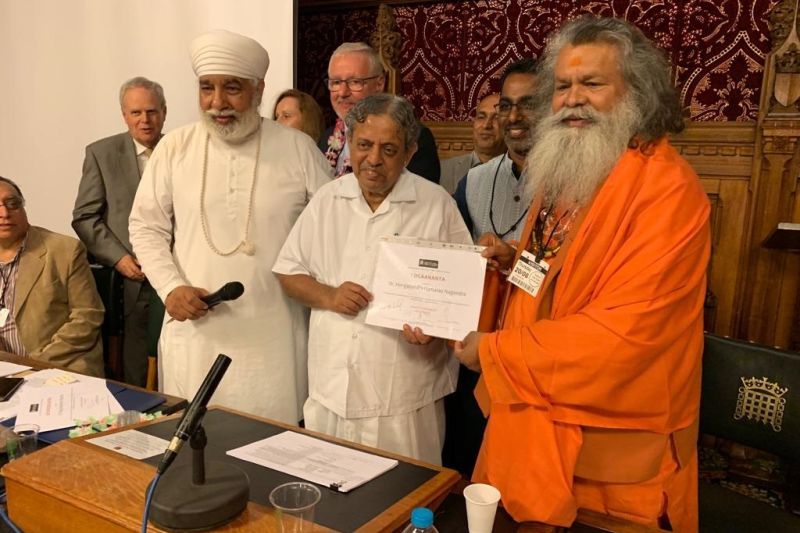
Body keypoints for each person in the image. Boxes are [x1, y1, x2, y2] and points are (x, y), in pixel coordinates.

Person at [454, 17, 709, 531]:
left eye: (592, 83)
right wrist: (510, 264)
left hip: (607, 457)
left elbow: (624, 336)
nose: (573, 99)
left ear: (637, 93)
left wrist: (494, 352)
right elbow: (553, 275)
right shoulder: (569, 170)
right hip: (531, 421)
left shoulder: (668, 191)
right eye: (562, 86)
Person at [129, 30, 332, 424]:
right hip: (197, 333)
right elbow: (146, 226)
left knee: (271, 444)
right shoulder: (175, 148)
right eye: (207, 88)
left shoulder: (297, 149)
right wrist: (170, 287)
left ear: (259, 90)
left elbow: (332, 230)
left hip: (275, 338)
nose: (217, 102)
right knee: (195, 441)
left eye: (232, 88)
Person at [273, 94, 470, 464]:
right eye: (364, 145)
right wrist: (329, 295)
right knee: (329, 487)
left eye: (389, 149)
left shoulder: (437, 204)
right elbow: (288, 271)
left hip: (405, 396)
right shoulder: (328, 199)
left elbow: (461, 296)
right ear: (349, 142)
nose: (374, 159)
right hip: (332, 390)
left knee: (407, 491)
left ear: (410, 152)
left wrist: (434, 327)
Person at [72, 76, 167, 386]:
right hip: (134, 281)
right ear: (124, 115)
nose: (145, 120)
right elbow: (84, 217)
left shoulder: (181, 149)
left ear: (164, 112)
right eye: (136, 113)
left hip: (181, 276)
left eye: (151, 111)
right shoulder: (101, 153)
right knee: (138, 373)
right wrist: (119, 259)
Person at [0, 177, 104, 376]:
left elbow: (88, 315)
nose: (4, 213)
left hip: (59, 367)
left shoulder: (65, 250)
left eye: (12, 204)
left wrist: (31, 365)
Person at [320, 42, 441, 183]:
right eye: (336, 82)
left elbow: (417, 193)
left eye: (354, 82)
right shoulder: (326, 138)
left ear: (379, 84)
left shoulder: (413, 136)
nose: (342, 92)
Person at [454, 59, 537, 242]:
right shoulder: (472, 182)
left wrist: (514, 255)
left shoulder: (571, 184)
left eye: (528, 105)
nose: (513, 117)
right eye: (506, 106)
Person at [439, 93, 505, 194]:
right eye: (481, 117)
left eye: (496, 118)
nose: (486, 125)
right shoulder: (442, 170)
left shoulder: (520, 174)